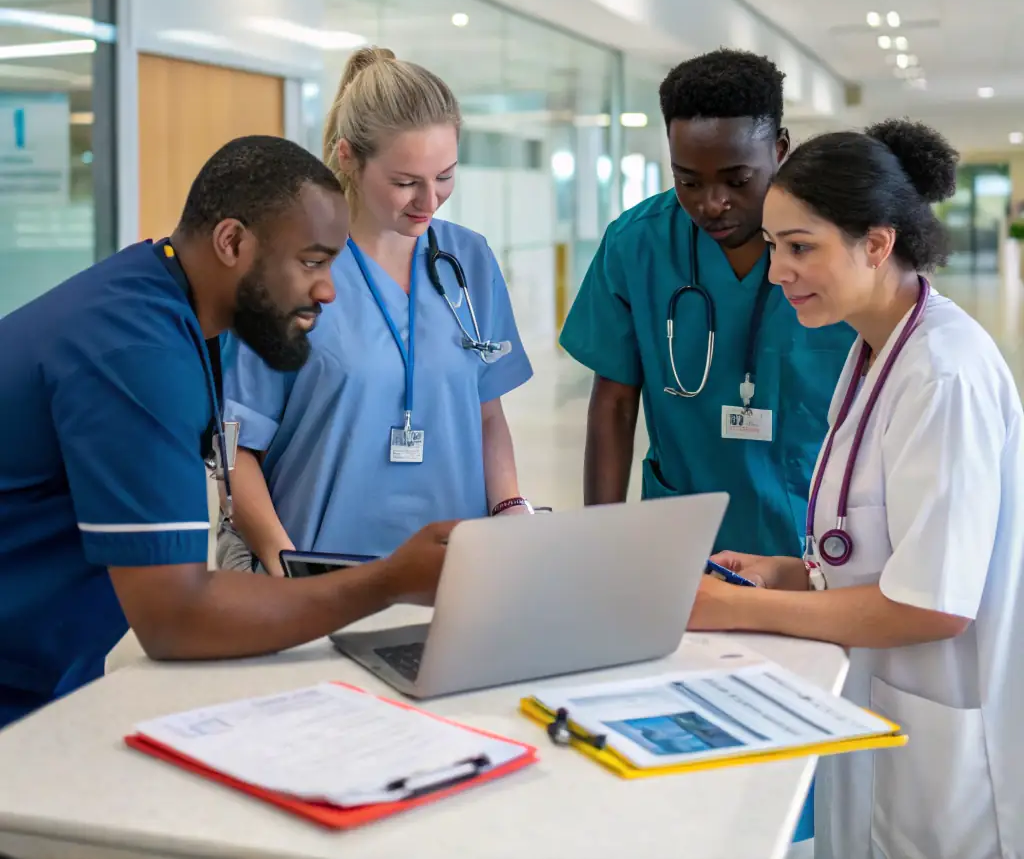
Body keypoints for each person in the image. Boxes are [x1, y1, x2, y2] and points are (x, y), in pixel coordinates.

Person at [0, 136, 451, 730]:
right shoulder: (135, 352)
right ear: (232, 242)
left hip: (42, 675)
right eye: (312, 262)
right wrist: (389, 581)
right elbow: (175, 616)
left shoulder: (166, 298)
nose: (328, 290)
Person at [689, 120, 1024, 859]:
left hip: (948, 750)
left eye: (801, 246)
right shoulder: (876, 347)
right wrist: (792, 574)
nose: (778, 271)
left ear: (877, 242)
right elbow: (879, 544)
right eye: (775, 245)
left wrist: (744, 607)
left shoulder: (943, 372)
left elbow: (933, 603)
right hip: (880, 710)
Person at [218, 47, 534, 575]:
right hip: (318, 574)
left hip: (450, 572)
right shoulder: (284, 269)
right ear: (348, 156)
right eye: (406, 182)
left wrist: (508, 508)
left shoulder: (467, 259)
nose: (429, 202)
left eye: (446, 176)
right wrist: (285, 568)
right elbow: (236, 452)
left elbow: (487, 413)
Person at [561, 49, 854, 556]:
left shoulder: (839, 247)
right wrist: (597, 543)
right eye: (688, 180)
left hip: (812, 535)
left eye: (737, 180)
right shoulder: (638, 245)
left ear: (780, 150)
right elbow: (613, 401)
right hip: (683, 536)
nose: (711, 203)